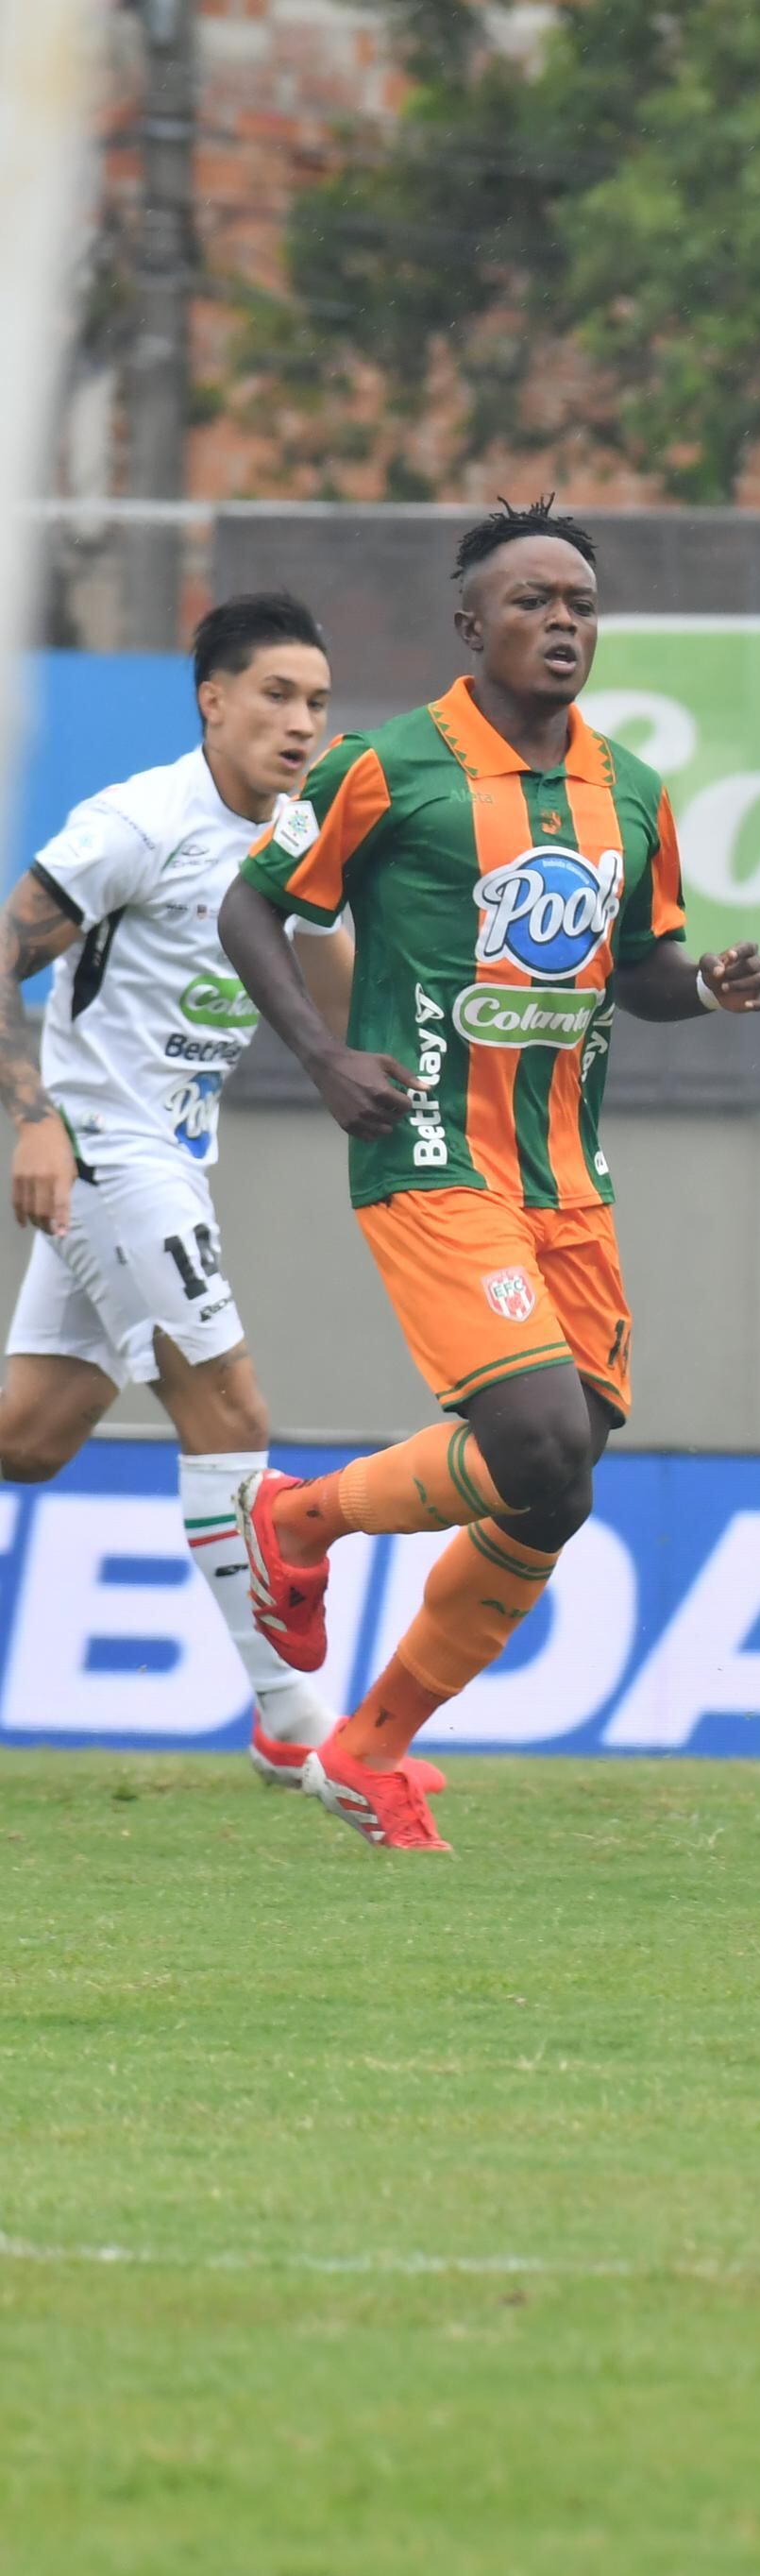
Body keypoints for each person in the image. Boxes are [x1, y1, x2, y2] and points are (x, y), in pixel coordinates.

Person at [219, 498, 760, 1852]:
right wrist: (321, 1057)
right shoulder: (386, 767)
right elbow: (254, 906)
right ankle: (295, 1522)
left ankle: (368, 1747)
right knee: (532, 1437)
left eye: (580, 603)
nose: (563, 624)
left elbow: (637, 969)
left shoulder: (629, 790)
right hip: (428, 1150)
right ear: (470, 627)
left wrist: (699, 986)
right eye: (532, 602)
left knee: (561, 1482)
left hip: (565, 1176)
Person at [0, 592, 358, 1776]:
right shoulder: (139, 822)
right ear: (212, 700)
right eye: (275, 695)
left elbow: (331, 998)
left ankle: (287, 1717)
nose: (300, 721)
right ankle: (296, 1724)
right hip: (107, 1150)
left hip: (172, 1156)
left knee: (33, 1438)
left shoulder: (294, 835)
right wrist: (37, 1119)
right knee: (233, 1415)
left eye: (315, 700)